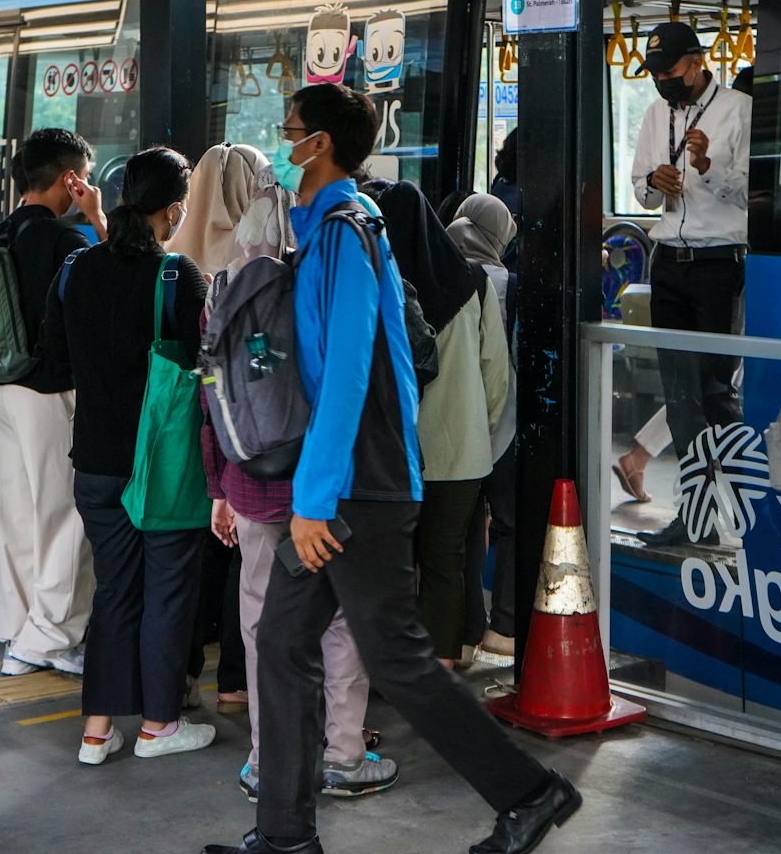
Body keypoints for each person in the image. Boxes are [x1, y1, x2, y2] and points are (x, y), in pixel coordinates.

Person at [204, 83, 578, 854]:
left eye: (291, 131)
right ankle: (283, 834)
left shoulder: (347, 227)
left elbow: (346, 370)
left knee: (395, 656)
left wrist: (312, 497)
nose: (282, 142)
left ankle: (532, 792)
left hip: (357, 488)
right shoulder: (322, 228)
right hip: (348, 480)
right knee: (279, 641)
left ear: (321, 145)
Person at [198, 148, 396, 803]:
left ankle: (267, 759)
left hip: (253, 480)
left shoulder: (215, 284)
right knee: (338, 619)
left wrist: (221, 484)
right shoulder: (303, 262)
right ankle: (341, 752)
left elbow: (212, 397)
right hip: (318, 478)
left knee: (263, 622)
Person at [42, 147, 215, 765]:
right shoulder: (177, 277)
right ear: (173, 208)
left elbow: (55, 359)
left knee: (115, 590)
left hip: (94, 461)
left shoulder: (75, 269)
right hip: (161, 463)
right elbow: (205, 368)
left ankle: (96, 731)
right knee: (167, 591)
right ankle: (159, 726)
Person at [614, 22, 752, 545]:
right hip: (667, 260)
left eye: (669, 71)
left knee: (716, 393)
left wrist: (706, 166)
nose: (662, 82)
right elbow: (639, 191)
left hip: (719, 262)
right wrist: (654, 183)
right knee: (680, 396)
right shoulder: (655, 115)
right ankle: (692, 519)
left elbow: (750, 198)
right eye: (655, 74)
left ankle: (732, 514)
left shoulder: (738, 109)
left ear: (697, 62)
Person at [0, 129, 105, 677]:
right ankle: (49, 639)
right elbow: (105, 299)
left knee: (18, 516)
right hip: (50, 391)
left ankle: (18, 630)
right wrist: (98, 222)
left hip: (0, 391)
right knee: (64, 517)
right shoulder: (68, 243)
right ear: (70, 179)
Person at [371, 181, 508, 669]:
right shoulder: (473, 281)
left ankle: (392, 667)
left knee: (393, 563)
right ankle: (445, 662)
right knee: (446, 562)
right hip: (462, 452)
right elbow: (496, 371)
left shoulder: (381, 284)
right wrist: (476, 425)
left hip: (393, 454)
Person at [171, 143, 260, 713]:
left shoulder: (171, 254)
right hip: (235, 432)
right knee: (241, 561)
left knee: (195, 557)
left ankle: (182, 675)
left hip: (179, 428)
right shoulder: (258, 258)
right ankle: (235, 680)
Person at [446, 194, 520, 664]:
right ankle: (505, 627)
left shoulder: (438, 275)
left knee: (463, 531)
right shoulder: (508, 283)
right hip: (505, 421)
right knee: (509, 524)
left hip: (453, 428)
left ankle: (463, 635)